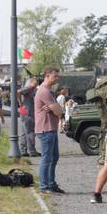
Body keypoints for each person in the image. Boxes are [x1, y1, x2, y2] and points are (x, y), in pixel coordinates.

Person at [34, 67, 65, 195]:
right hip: (45, 129)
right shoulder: (45, 92)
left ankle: (51, 184)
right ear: (47, 76)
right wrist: (56, 109)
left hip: (50, 128)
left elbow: (60, 112)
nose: (57, 79)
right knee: (47, 159)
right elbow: (59, 111)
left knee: (54, 158)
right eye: (55, 76)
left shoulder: (49, 91)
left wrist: (55, 109)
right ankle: (44, 186)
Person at [19, 76, 39, 157]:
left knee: (24, 132)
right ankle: (32, 151)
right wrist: (20, 104)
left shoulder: (29, 89)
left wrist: (21, 105)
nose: (37, 83)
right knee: (31, 131)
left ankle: (23, 150)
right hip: (28, 112)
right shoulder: (29, 88)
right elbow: (18, 92)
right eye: (36, 82)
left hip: (24, 111)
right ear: (31, 82)